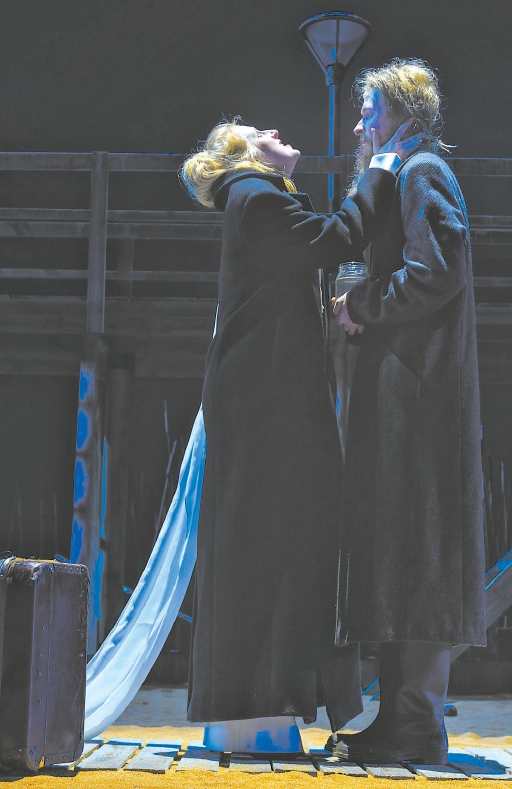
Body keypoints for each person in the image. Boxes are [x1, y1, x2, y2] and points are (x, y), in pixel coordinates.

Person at [179, 118, 418, 752]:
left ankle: (261, 707)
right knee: (268, 537)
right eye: (258, 128)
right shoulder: (255, 198)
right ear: (243, 152)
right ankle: (256, 710)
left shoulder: (257, 199)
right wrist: (380, 171)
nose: (275, 127)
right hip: (264, 395)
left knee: (271, 535)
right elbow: (334, 239)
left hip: (267, 391)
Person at [330, 58, 487, 765]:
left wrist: (363, 304)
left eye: (369, 112)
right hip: (405, 390)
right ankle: (397, 719)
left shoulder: (423, 171)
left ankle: (418, 728)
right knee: (400, 549)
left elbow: (438, 271)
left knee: (420, 549)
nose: (359, 126)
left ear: (402, 114)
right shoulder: (408, 174)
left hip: (421, 397)